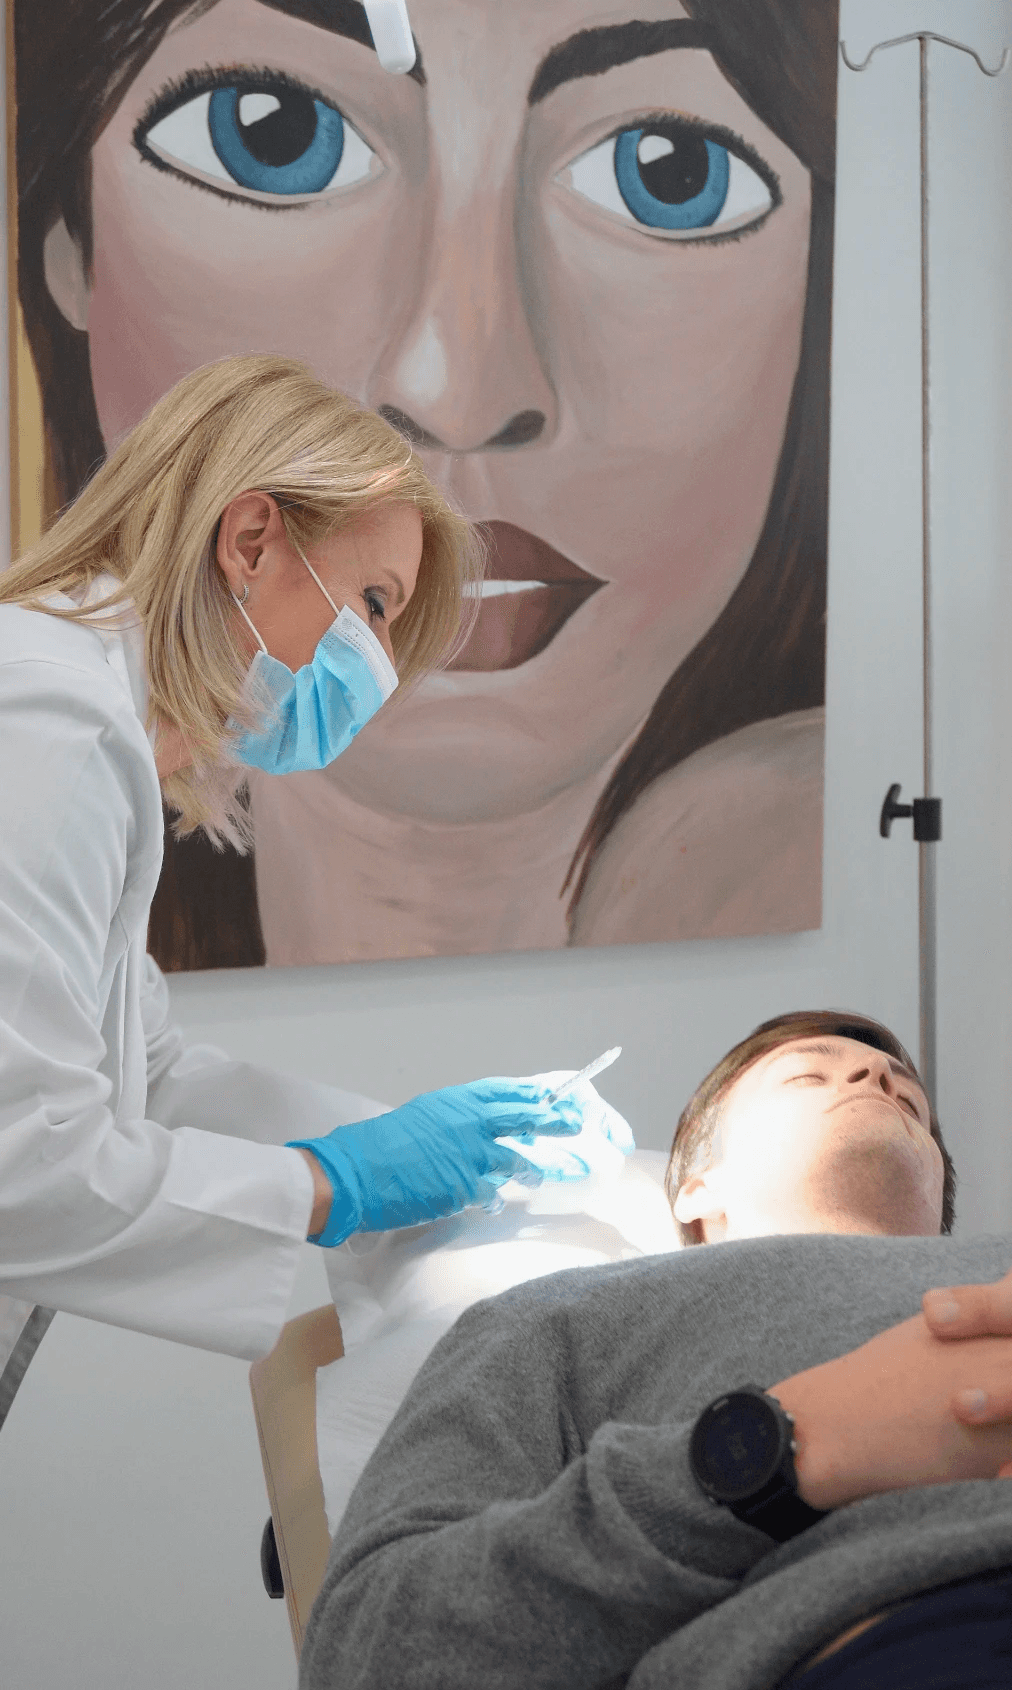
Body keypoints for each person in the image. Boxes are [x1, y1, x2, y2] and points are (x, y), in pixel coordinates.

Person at [16, 0, 834, 968]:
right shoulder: (47, 739)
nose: (457, 392)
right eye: (275, 136)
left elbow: (138, 1048)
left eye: (669, 172)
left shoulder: (112, 790)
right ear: (68, 237)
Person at [0, 354, 631, 1362]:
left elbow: (147, 1073)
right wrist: (341, 1182)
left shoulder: (78, 720)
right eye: (374, 603)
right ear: (251, 540)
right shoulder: (54, 729)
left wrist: (414, 1144)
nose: (374, 665)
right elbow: (21, 1171)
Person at [297, 1010, 1012, 1689]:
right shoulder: (559, 1318)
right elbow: (367, 1652)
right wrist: (767, 1455)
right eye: (809, 1074)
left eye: (907, 1095)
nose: (878, 1078)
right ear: (698, 1189)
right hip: (902, 1643)